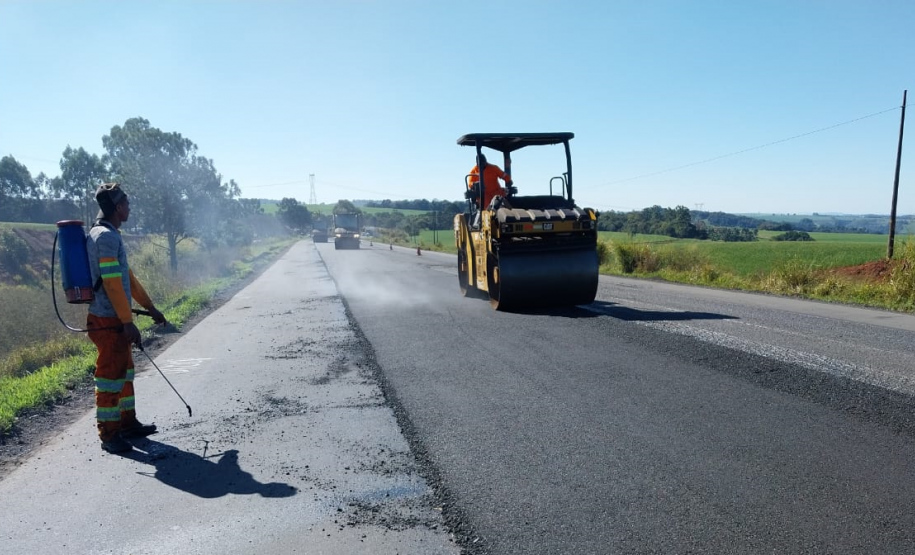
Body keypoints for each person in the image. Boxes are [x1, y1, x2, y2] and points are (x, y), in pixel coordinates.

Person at [86, 182, 168, 454]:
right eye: (127, 204)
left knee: (125, 374)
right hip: (108, 323)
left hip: (115, 321)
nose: (130, 208)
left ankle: (127, 424)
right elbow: (111, 283)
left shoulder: (109, 235)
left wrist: (151, 308)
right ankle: (109, 435)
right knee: (110, 378)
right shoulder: (106, 238)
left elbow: (127, 279)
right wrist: (126, 322)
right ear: (118, 207)